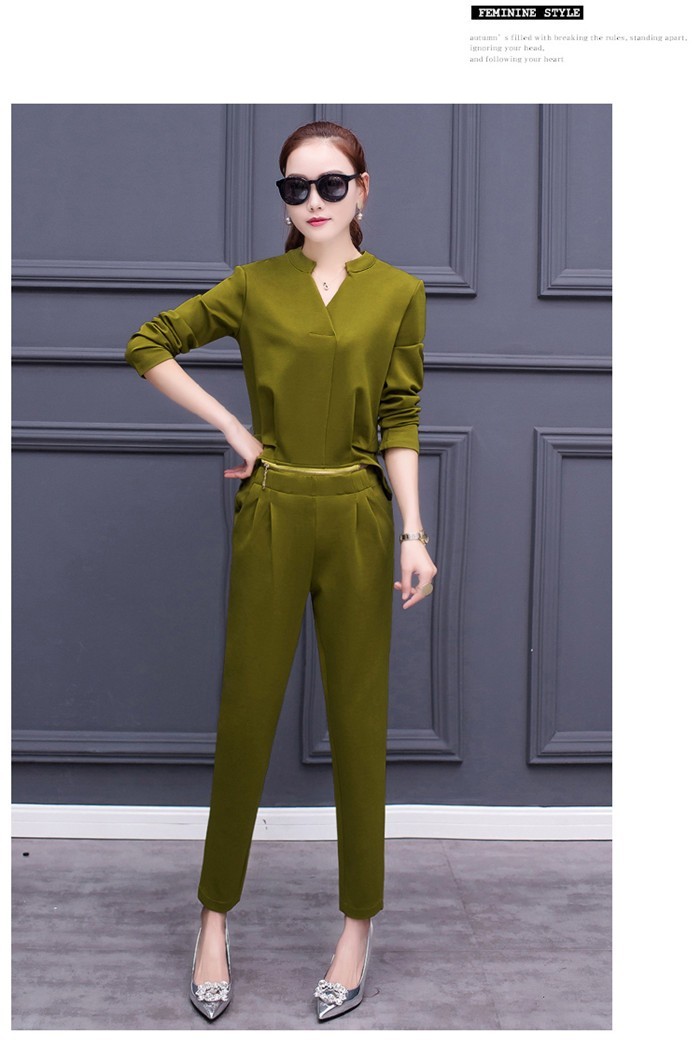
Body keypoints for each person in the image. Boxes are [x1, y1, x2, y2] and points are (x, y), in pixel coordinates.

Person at [125, 119, 438, 1023]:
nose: (313, 202)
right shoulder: (255, 285)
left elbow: (400, 416)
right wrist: (233, 426)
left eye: (331, 184)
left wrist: (414, 532)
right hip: (272, 509)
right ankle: (212, 922)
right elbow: (149, 342)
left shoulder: (400, 293)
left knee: (359, 723)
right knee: (247, 715)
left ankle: (357, 928)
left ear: (363, 189)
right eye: (295, 188)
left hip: (358, 515)